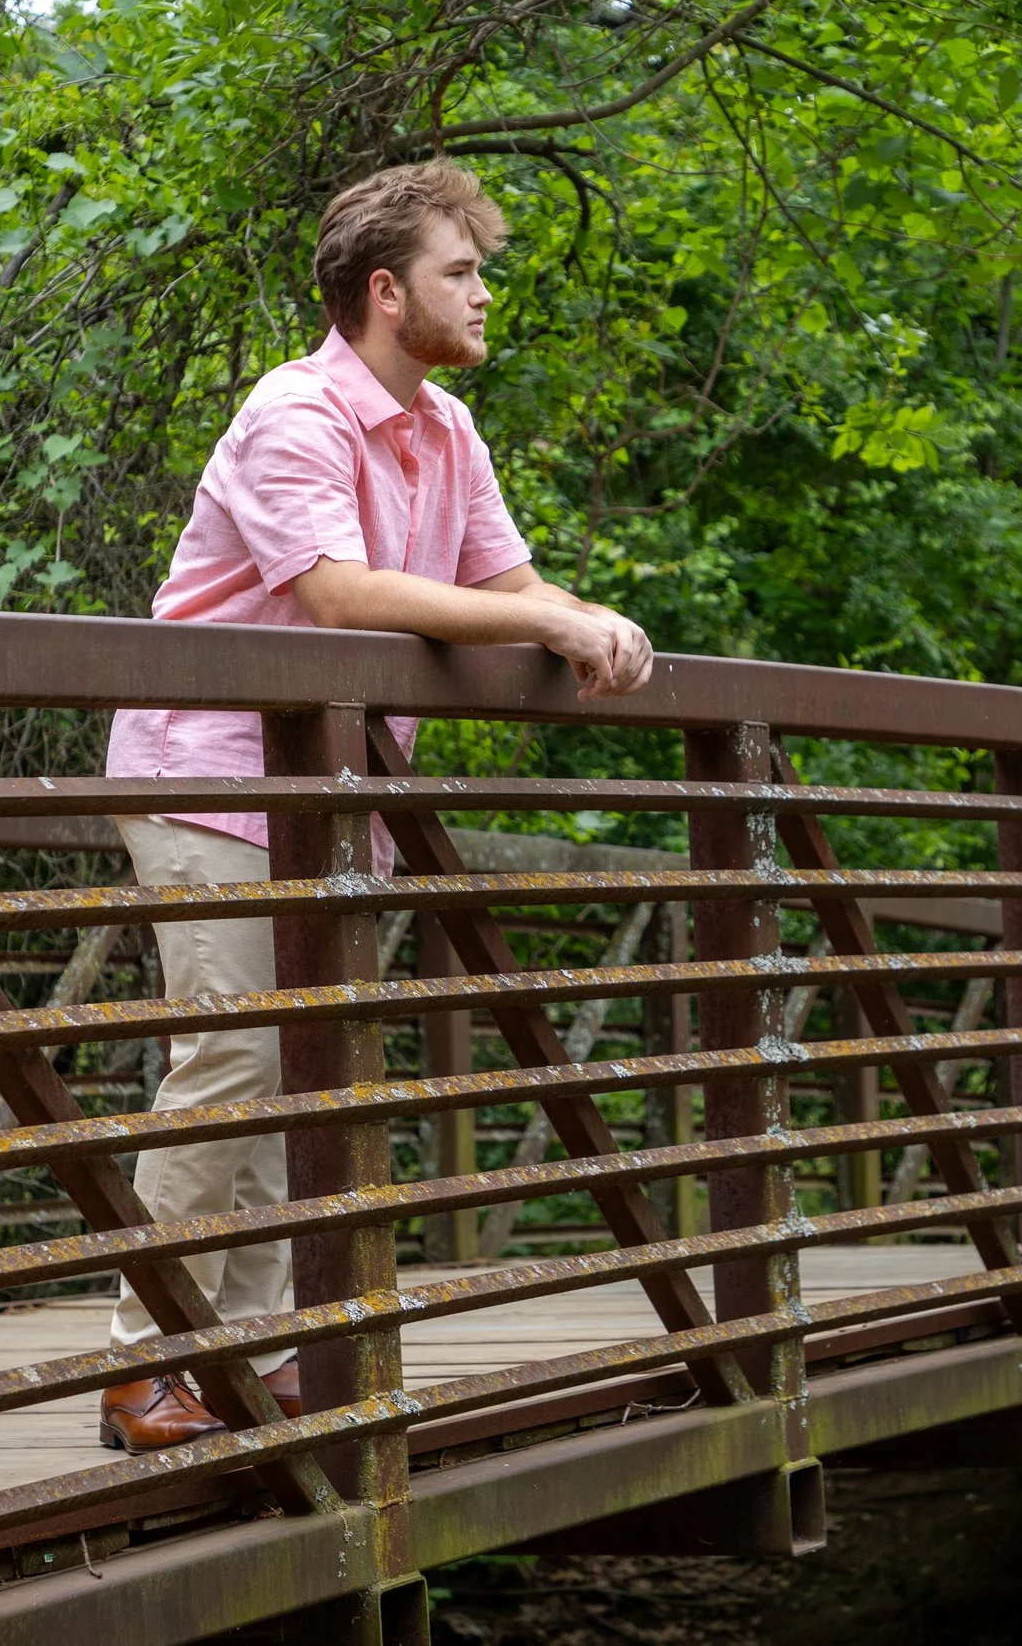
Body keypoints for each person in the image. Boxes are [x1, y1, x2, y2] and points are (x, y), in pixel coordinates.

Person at [96, 161, 655, 1453]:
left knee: (302, 1068)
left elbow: (508, 578)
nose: (485, 290)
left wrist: (576, 619)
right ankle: (147, 1363)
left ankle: (270, 1359)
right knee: (232, 1057)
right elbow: (341, 593)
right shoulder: (292, 413)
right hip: (212, 776)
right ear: (388, 290)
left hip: (325, 794)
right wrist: (545, 618)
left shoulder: (448, 428)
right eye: (465, 269)